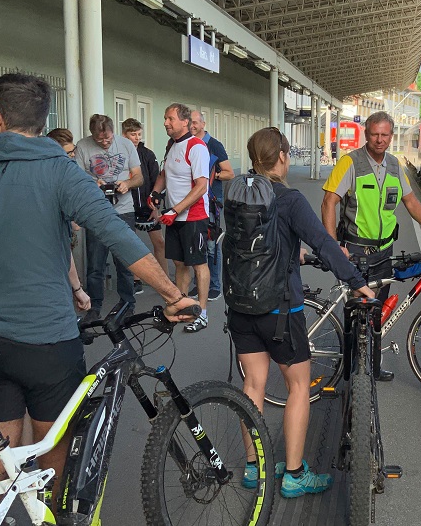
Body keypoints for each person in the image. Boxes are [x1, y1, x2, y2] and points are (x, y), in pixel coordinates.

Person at [0, 73, 199, 497]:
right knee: (54, 462)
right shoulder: (62, 174)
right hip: (50, 343)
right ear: (43, 118)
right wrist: (175, 295)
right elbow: (120, 238)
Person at [232, 127, 375, 498]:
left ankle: (254, 468)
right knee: (298, 386)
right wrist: (358, 281)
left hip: (241, 307)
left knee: (252, 386)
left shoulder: (232, 194)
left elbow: (246, 242)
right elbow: (324, 243)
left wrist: (286, 248)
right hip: (281, 308)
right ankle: (294, 474)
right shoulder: (290, 199)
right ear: (281, 156)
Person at [320, 111, 421, 381]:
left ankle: (372, 365)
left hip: (384, 251)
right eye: (374, 134)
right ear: (366, 134)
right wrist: (331, 246)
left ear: (391, 136)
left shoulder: (396, 166)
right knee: (356, 309)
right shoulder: (350, 162)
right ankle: (350, 369)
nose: (379, 140)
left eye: (385, 135)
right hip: (355, 250)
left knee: (377, 311)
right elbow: (329, 202)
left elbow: (410, 201)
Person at [74, 114, 143, 321]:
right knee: (95, 262)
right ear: (91, 134)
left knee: (125, 260)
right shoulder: (82, 146)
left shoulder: (126, 144)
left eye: (108, 138)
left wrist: (127, 184)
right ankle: (94, 306)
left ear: (114, 132)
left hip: (124, 210)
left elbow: (138, 177)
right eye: (99, 139)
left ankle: (127, 303)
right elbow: (75, 177)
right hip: (96, 210)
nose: (104, 142)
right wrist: (92, 183)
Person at [149, 103, 211, 333]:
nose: (165, 122)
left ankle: (202, 312)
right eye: (165, 118)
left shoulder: (196, 147)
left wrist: (175, 210)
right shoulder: (171, 145)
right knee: (179, 263)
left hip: (193, 217)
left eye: (170, 118)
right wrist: (156, 193)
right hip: (174, 217)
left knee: (198, 263)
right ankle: (181, 305)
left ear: (184, 122)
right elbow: (164, 173)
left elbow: (202, 186)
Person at [187, 110, 233, 301]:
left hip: (212, 202)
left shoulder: (214, 145)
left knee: (212, 244)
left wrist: (211, 175)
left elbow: (229, 173)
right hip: (193, 201)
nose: (192, 126)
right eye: (189, 123)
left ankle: (214, 285)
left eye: (196, 123)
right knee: (196, 244)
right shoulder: (186, 144)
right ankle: (199, 284)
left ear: (203, 124)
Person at [122, 118, 165, 292]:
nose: (137, 138)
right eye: (133, 134)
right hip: (128, 207)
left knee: (159, 242)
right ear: (124, 134)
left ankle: (163, 278)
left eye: (139, 134)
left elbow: (156, 181)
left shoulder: (147, 154)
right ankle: (136, 279)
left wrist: (156, 207)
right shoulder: (120, 155)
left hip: (148, 207)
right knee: (132, 244)